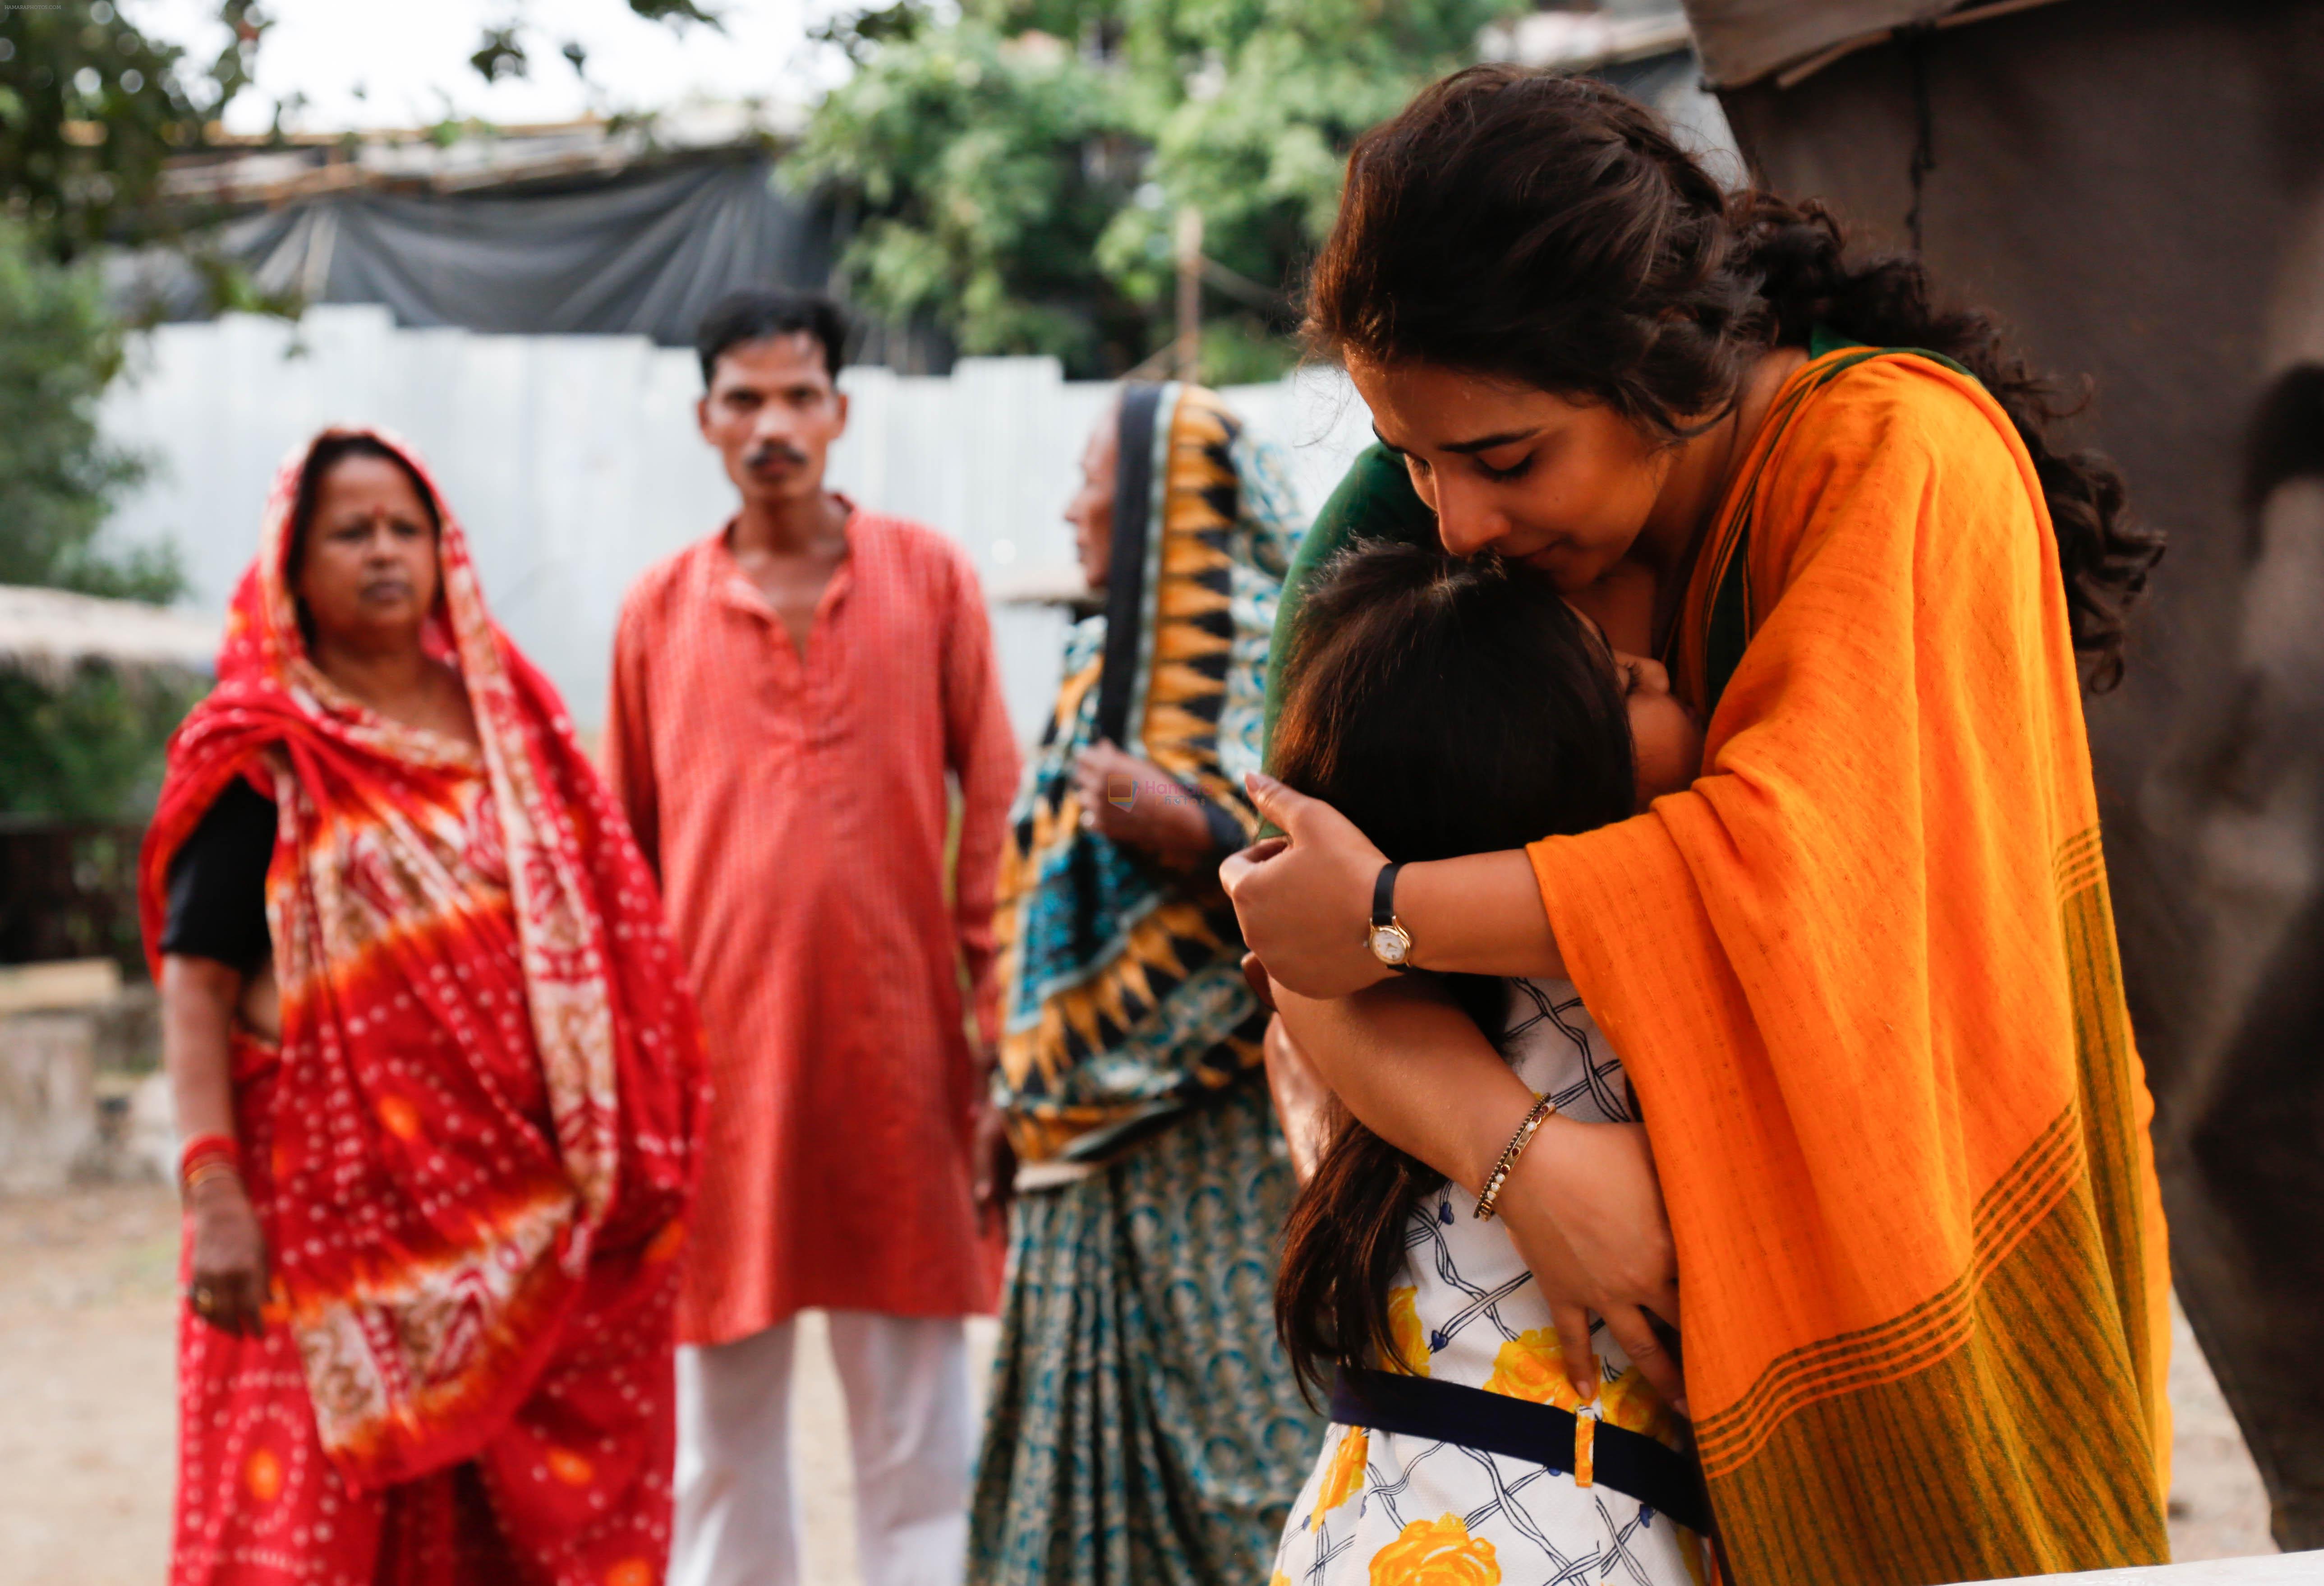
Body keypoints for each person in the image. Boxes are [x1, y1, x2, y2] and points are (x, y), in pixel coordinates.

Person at [1224, 67, 2173, 1586]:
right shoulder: (1397, 537)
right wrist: (1532, 1163)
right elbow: (1299, 945)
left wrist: (1394, 905)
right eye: (1413, 454)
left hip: (1929, 1282)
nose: (1456, 522)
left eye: (1506, 457)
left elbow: (1795, 864)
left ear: (1660, 364)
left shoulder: (1894, 462)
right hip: (1538, 1408)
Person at [142, 427, 704, 1586]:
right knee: (310, 1529)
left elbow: (605, 935)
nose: (386, 553)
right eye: (351, 533)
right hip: (318, 1229)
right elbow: (196, 982)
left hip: (525, 1219)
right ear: (293, 566)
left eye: (408, 528)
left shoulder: (515, 727)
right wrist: (216, 1193)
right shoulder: (268, 751)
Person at [604, 289, 1020, 1586]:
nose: (773, 425)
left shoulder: (932, 579)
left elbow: (998, 821)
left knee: (916, 1441)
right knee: (719, 1450)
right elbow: (621, 863)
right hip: (715, 1087)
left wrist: (998, 1039)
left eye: (798, 397)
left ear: (841, 412)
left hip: (903, 1068)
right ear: (704, 419)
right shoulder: (657, 611)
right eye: (746, 399)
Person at [1266, 540, 1711, 1585]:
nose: (1662, 678)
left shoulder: (1393, 1008)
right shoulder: (1640, 961)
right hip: (1554, 1544)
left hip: (1366, 1525)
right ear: (1562, 764)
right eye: (1619, 679)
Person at [967, 383, 1322, 1586]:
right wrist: (1009, 1091)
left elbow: (1353, 872)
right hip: (1075, 1129)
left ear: (1168, 503)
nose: (1072, 508)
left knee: (1244, 1458)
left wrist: (1188, 825)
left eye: (1090, 479)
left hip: (1215, 1125)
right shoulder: (1089, 662)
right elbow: (1033, 894)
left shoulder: (1288, 666)